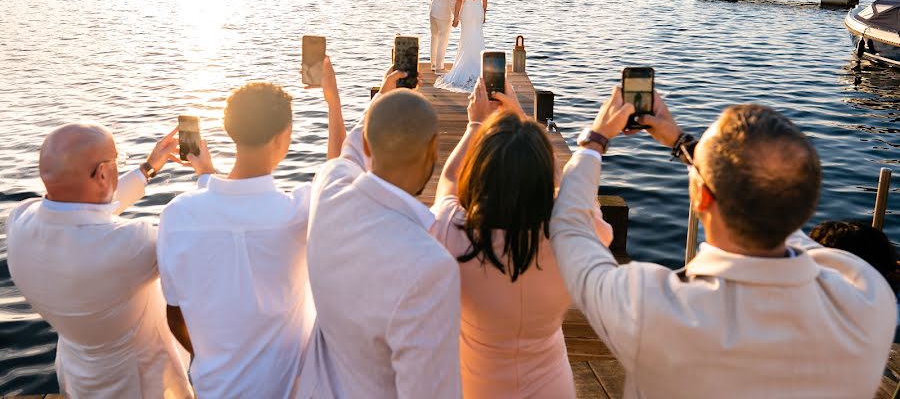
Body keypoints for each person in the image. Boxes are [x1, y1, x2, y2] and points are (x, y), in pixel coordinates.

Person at [550, 91, 896, 399]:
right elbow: (770, 207)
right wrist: (681, 143)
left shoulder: (650, 309)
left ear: (700, 196)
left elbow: (570, 229)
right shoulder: (869, 299)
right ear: (806, 202)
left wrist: (595, 140)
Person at [157, 57, 346, 398]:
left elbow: (174, 314)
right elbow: (337, 173)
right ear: (282, 138)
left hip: (214, 388)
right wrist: (332, 100)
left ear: (230, 129)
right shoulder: (297, 214)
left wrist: (206, 176)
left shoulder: (177, 216)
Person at [430, 78, 613, 399]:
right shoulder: (570, 236)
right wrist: (524, 120)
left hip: (475, 387)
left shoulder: (453, 231)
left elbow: (448, 181)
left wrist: (475, 124)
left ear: (480, 173)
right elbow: (570, 196)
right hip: (551, 388)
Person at [298, 68, 461, 399]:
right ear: (434, 150)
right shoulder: (430, 267)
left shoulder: (328, 190)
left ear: (370, 146)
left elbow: (349, 153)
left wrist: (381, 101)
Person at [6, 124, 193, 398]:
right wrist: (207, 177)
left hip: (78, 375)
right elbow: (199, 247)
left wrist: (148, 169)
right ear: (104, 173)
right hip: (141, 383)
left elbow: (80, 211)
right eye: (118, 160)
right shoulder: (132, 243)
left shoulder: (19, 220)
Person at [435, 0, 487, 93]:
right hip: (478, 11)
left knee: (466, 38)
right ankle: (479, 67)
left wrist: (456, 16)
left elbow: (458, 1)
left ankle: (466, 65)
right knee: (478, 37)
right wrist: (484, 14)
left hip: (467, 11)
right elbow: (485, 0)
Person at [430, 0, 461, 73]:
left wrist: (435, 5)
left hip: (433, 10)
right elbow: (452, 1)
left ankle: (433, 64)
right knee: (443, 39)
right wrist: (455, 16)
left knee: (434, 37)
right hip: (444, 13)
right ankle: (439, 67)